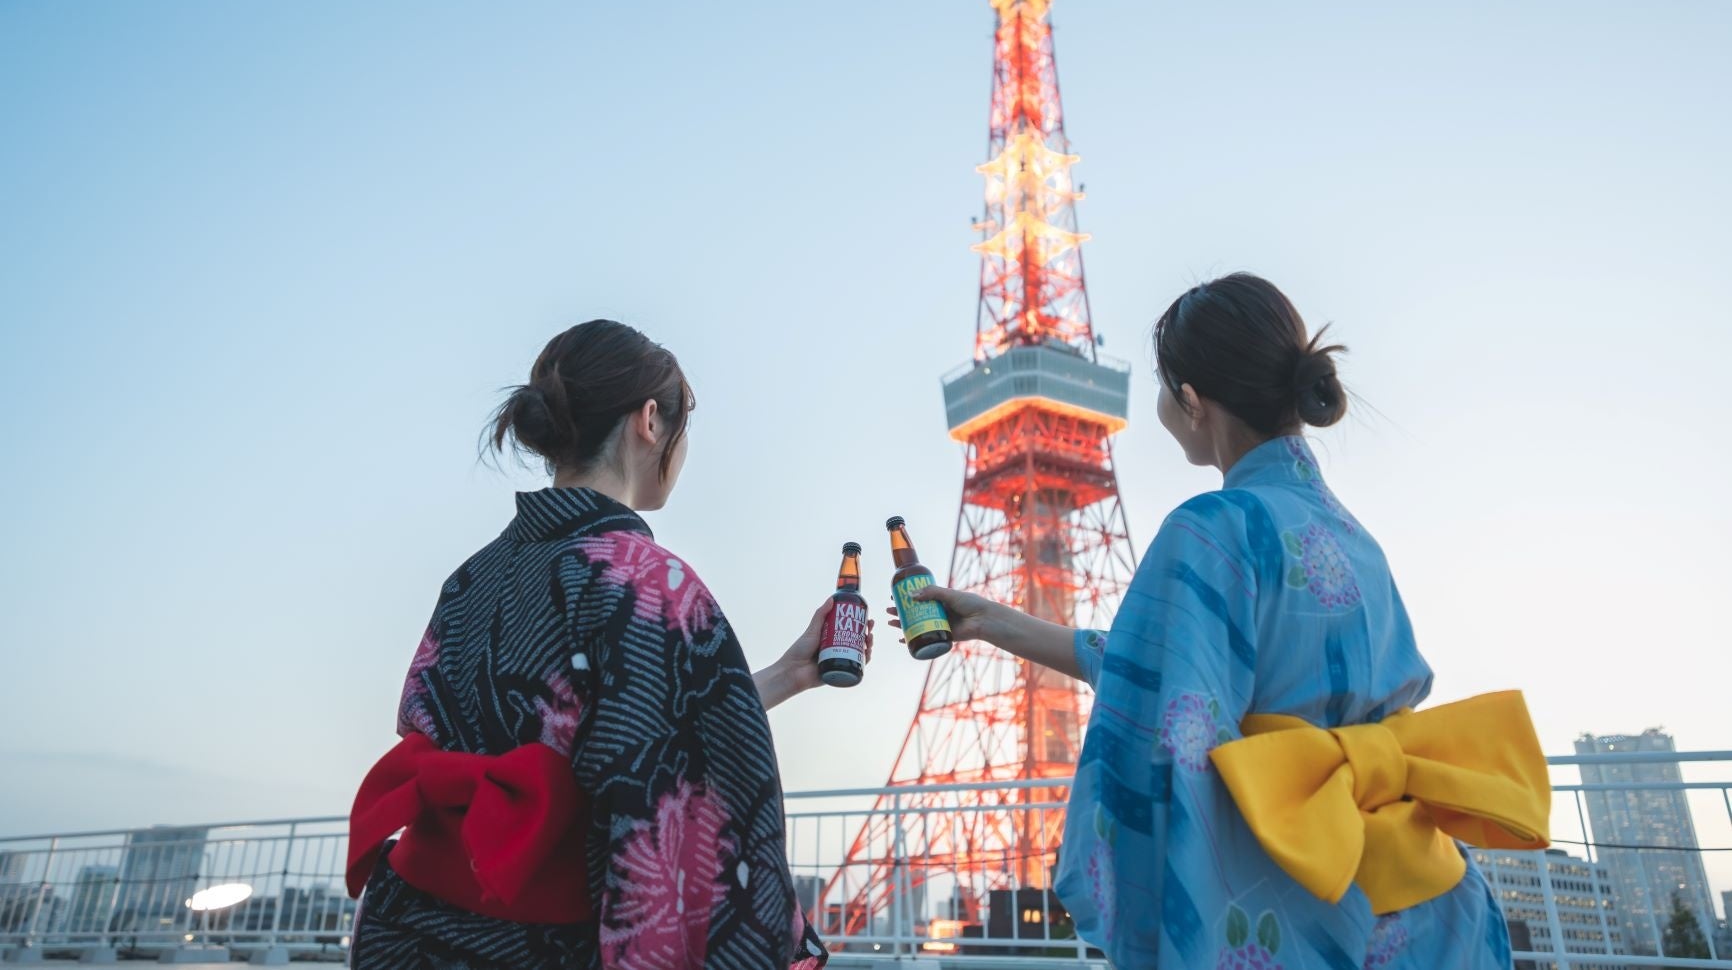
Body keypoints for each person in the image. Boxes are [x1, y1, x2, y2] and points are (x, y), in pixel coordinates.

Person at [893, 274, 1550, 969]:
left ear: (1190, 402)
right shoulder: (1351, 537)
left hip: (1303, 904)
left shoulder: (1210, 528)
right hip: (1435, 905)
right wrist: (994, 620)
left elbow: (1172, 711)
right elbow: (1163, 664)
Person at [347, 320, 864, 969]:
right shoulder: (651, 582)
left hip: (405, 925)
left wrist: (790, 673)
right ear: (650, 420)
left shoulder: (474, 574)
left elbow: (627, 736)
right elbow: (656, 765)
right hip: (546, 948)